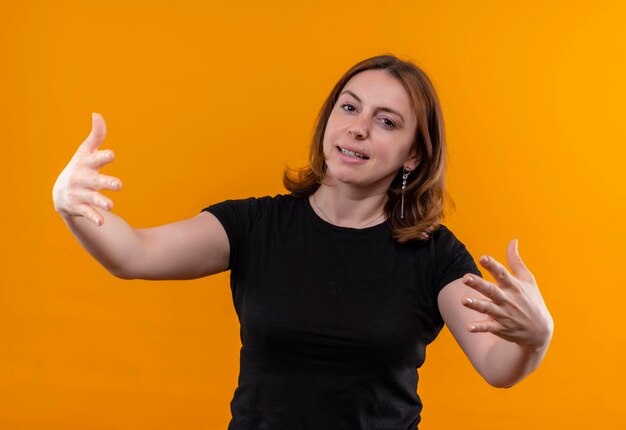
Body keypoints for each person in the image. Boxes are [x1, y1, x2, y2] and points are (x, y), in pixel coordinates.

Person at [52, 55, 554, 429]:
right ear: (328, 121)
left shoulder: (434, 253)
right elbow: (133, 254)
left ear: (413, 156)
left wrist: (534, 339)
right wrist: (73, 205)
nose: (357, 128)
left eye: (386, 122)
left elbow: (497, 366)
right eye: (349, 108)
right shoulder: (254, 224)